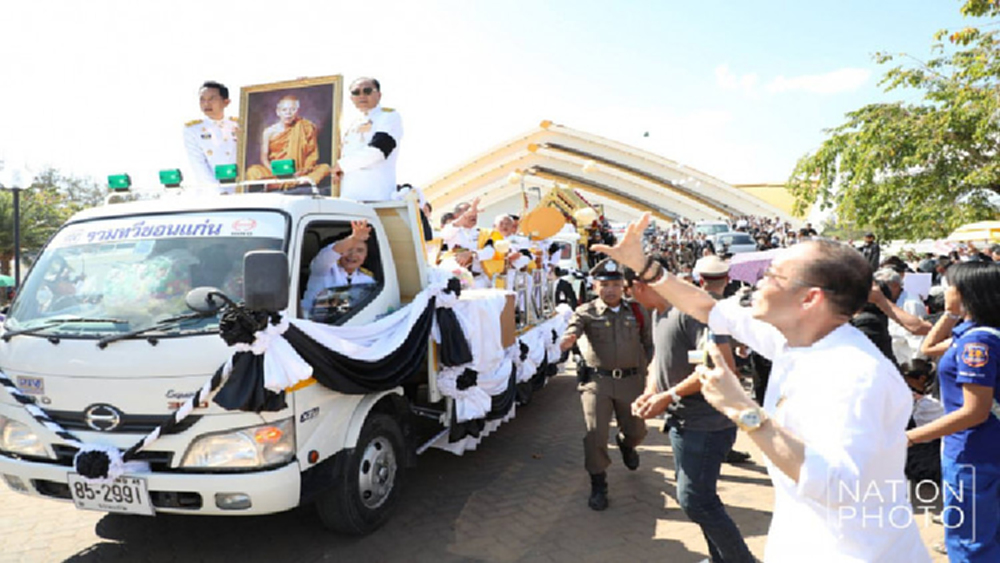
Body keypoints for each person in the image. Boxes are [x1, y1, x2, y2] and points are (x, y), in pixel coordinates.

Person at [593, 213, 929, 562]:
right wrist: (645, 267)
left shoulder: (855, 375)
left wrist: (742, 410)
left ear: (810, 299)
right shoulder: (795, 340)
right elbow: (707, 308)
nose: (755, 283)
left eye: (771, 276)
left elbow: (836, 486)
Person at [630, 255, 754, 563]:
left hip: (705, 422)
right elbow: (659, 361)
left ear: (638, 285)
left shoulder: (688, 311)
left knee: (695, 501)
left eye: (628, 287)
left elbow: (714, 366)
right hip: (683, 420)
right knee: (700, 499)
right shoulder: (659, 313)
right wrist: (650, 392)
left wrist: (668, 396)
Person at [907, 262, 1000, 562]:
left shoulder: (978, 341)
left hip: (974, 451)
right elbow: (929, 347)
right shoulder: (973, 332)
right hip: (979, 449)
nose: (945, 291)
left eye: (950, 286)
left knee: (970, 542)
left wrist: (910, 437)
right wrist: (950, 313)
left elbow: (975, 411)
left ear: (967, 293)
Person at [559, 258, 652, 511]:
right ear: (595, 286)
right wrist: (568, 339)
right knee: (595, 434)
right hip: (597, 382)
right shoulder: (585, 311)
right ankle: (598, 484)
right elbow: (573, 329)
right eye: (604, 284)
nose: (610, 289)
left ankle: (626, 443)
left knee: (637, 431)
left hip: (632, 381)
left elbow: (649, 343)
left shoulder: (636, 311)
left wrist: (651, 375)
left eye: (614, 284)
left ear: (623, 286)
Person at [334, 77, 403, 202]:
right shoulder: (351, 124)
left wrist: (342, 165)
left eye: (367, 91)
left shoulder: (388, 117)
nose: (362, 96)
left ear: (379, 94)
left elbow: (379, 151)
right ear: (351, 98)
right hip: (349, 197)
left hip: (375, 195)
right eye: (356, 92)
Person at [246, 95, 331, 189]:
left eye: (292, 109)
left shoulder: (306, 127)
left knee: (325, 168)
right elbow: (264, 157)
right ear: (278, 112)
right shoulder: (269, 131)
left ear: (298, 111)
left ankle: (278, 184)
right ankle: (291, 183)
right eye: (284, 110)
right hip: (276, 171)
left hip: (299, 171)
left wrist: (304, 170)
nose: (288, 113)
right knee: (253, 171)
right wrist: (275, 171)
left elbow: (312, 155)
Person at [301, 220, 375, 312]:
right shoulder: (323, 267)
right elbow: (331, 252)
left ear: (366, 255)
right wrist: (354, 238)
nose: (352, 255)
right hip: (311, 322)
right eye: (348, 249)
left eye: (360, 250)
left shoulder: (367, 279)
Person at [183, 81, 239, 194]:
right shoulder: (193, 130)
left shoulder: (239, 125)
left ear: (226, 102)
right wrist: (218, 192)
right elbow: (199, 165)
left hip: (241, 189)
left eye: (212, 99)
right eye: (202, 99)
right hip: (211, 194)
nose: (206, 104)